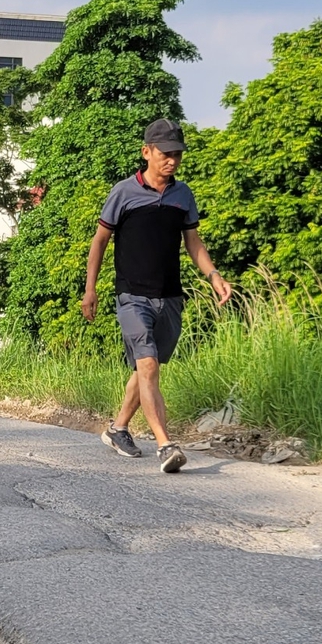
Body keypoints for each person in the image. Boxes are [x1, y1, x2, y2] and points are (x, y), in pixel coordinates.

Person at [80, 118, 233, 473]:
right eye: (166, 153)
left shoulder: (183, 196)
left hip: (170, 297)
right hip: (132, 295)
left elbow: (192, 241)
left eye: (178, 154)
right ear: (146, 152)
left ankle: (118, 429)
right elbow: (99, 241)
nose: (173, 160)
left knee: (147, 367)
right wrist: (91, 290)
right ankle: (166, 445)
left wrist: (213, 276)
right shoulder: (123, 192)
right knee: (147, 365)